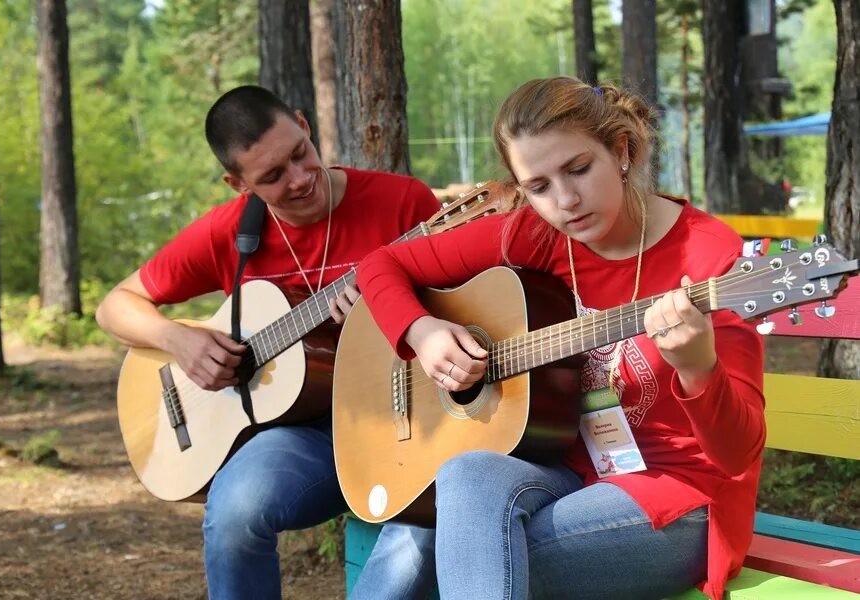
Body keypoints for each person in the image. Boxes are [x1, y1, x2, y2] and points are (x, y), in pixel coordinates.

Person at [354, 77, 765, 600]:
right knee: (464, 479)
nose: (566, 200)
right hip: (564, 470)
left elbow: (737, 455)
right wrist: (423, 331)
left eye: (578, 169)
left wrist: (698, 366)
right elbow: (380, 264)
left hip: (678, 499)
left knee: (447, 544)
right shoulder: (537, 233)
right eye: (538, 187)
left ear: (620, 150)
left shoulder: (706, 256)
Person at [95, 85, 440, 599]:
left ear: (303, 124)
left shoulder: (402, 202)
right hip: (307, 432)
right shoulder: (230, 234)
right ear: (238, 184)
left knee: (423, 528)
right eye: (272, 177)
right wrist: (180, 340)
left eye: (300, 154)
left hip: (406, 414)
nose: (300, 180)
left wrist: (388, 312)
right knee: (233, 513)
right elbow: (114, 306)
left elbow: (459, 305)